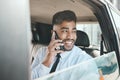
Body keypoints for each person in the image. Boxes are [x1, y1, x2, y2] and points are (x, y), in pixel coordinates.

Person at [32, 10, 99, 79]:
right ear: (53, 33)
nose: (70, 36)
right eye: (65, 31)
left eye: (73, 31)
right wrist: (48, 60)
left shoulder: (84, 61)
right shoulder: (41, 52)